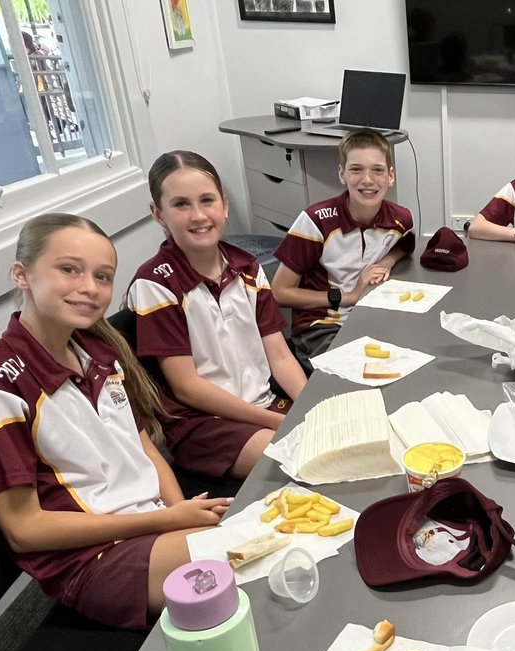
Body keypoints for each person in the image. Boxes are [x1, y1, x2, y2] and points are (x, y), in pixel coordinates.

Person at [0, 214, 230, 630]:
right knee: (252, 557)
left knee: (274, 533)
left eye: (103, 277)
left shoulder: (98, 352)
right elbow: (24, 530)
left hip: (150, 525)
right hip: (94, 559)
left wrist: (180, 511)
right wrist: (165, 521)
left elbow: (143, 447)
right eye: (69, 269)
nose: (89, 287)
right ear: (21, 274)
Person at [128, 150, 306, 479]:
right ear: (159, 214)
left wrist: (310, 403)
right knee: (302, 457)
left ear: (224, 205)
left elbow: (279, 355)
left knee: (347, 434)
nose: (198, 215)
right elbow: (187, 387)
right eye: (181, 204)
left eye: (207, 200)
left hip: (262, 406)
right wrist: (275, 421)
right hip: (204, 426)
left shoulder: (248, 268)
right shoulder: (155, 284)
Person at [271, 129, 415, 360]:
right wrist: (346, 296)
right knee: (359, 372)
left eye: (377, 170)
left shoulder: (400, 219)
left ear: (390, 176)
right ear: (342, 174)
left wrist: (386, 262)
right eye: (356, 169)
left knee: (408, 353)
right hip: (322, 325)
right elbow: (278, 292)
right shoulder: (316, 221)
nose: (367, 180)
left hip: (369, 313)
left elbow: (406, 245)